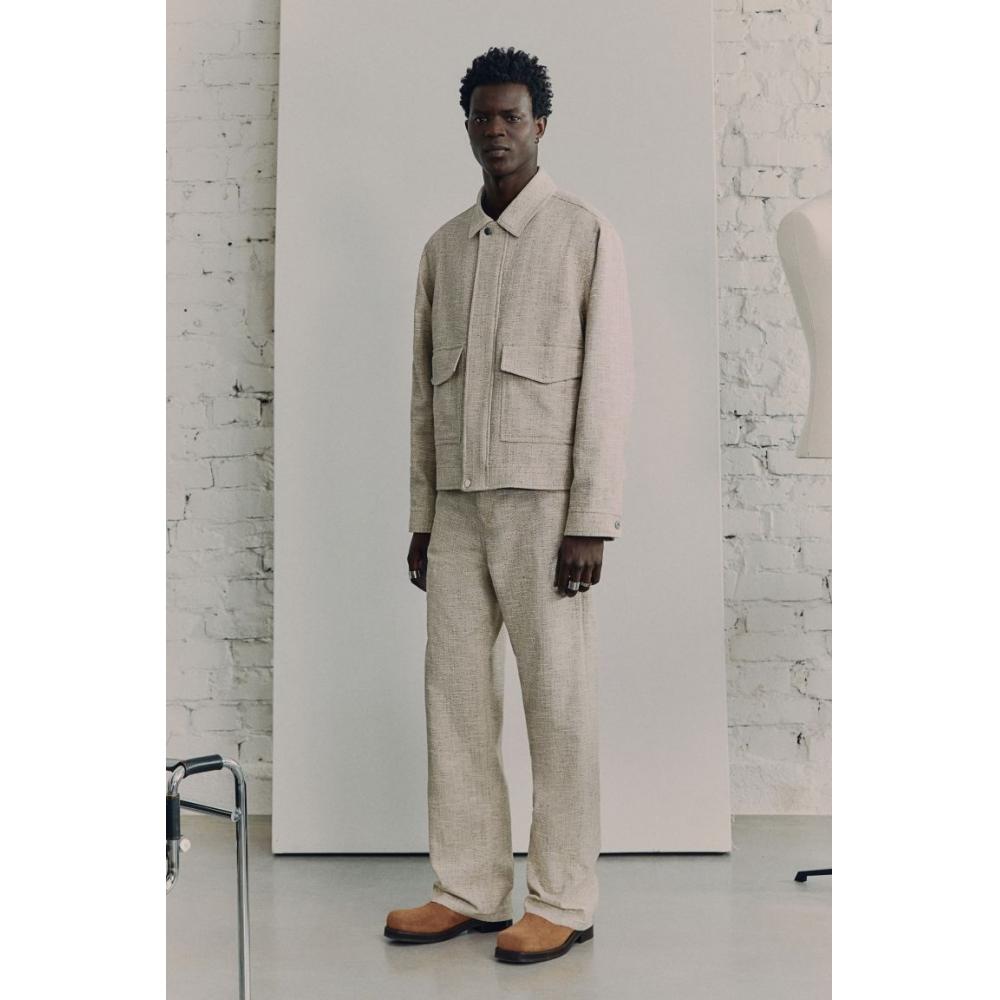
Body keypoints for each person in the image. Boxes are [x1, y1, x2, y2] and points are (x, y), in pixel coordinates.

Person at [385, 45, 635, 965]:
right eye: (482, 117)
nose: (496, 131)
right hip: (457, 511)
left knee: (558, 703)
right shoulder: (443, 249)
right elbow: (423, 398)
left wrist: (590, 519)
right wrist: (423, 514)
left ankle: (563, 897)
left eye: (512, 117)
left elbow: (606, 387)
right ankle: (469, 886)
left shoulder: (583, 234)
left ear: (540, 125)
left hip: (545, 514)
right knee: (454, 698)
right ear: (467, 126)